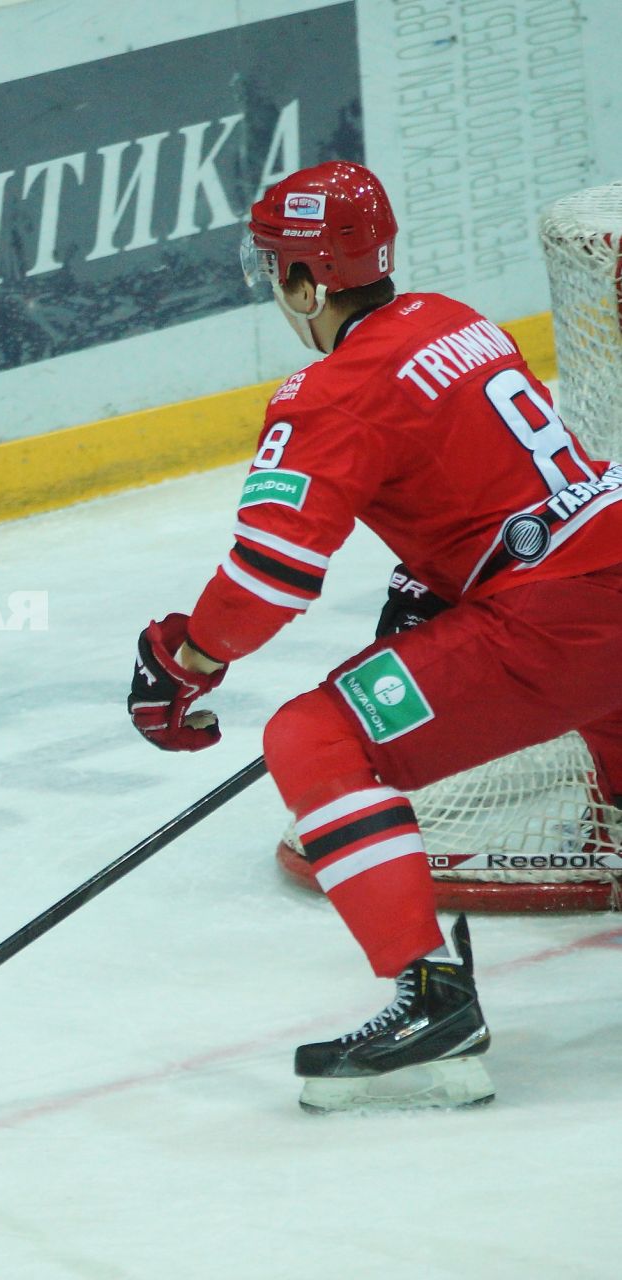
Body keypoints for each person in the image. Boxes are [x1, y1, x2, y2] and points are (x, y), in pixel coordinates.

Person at [127, 160, 622, 1112]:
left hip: (561, 622)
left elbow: (268, 578)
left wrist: (185, 658)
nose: (275, 289)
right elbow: (497, 480)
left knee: (312, 736)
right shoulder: (452, 317)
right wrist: (429, 574)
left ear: (308, 281)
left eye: (276, 268)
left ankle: (433, 1002)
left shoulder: (331, 392)